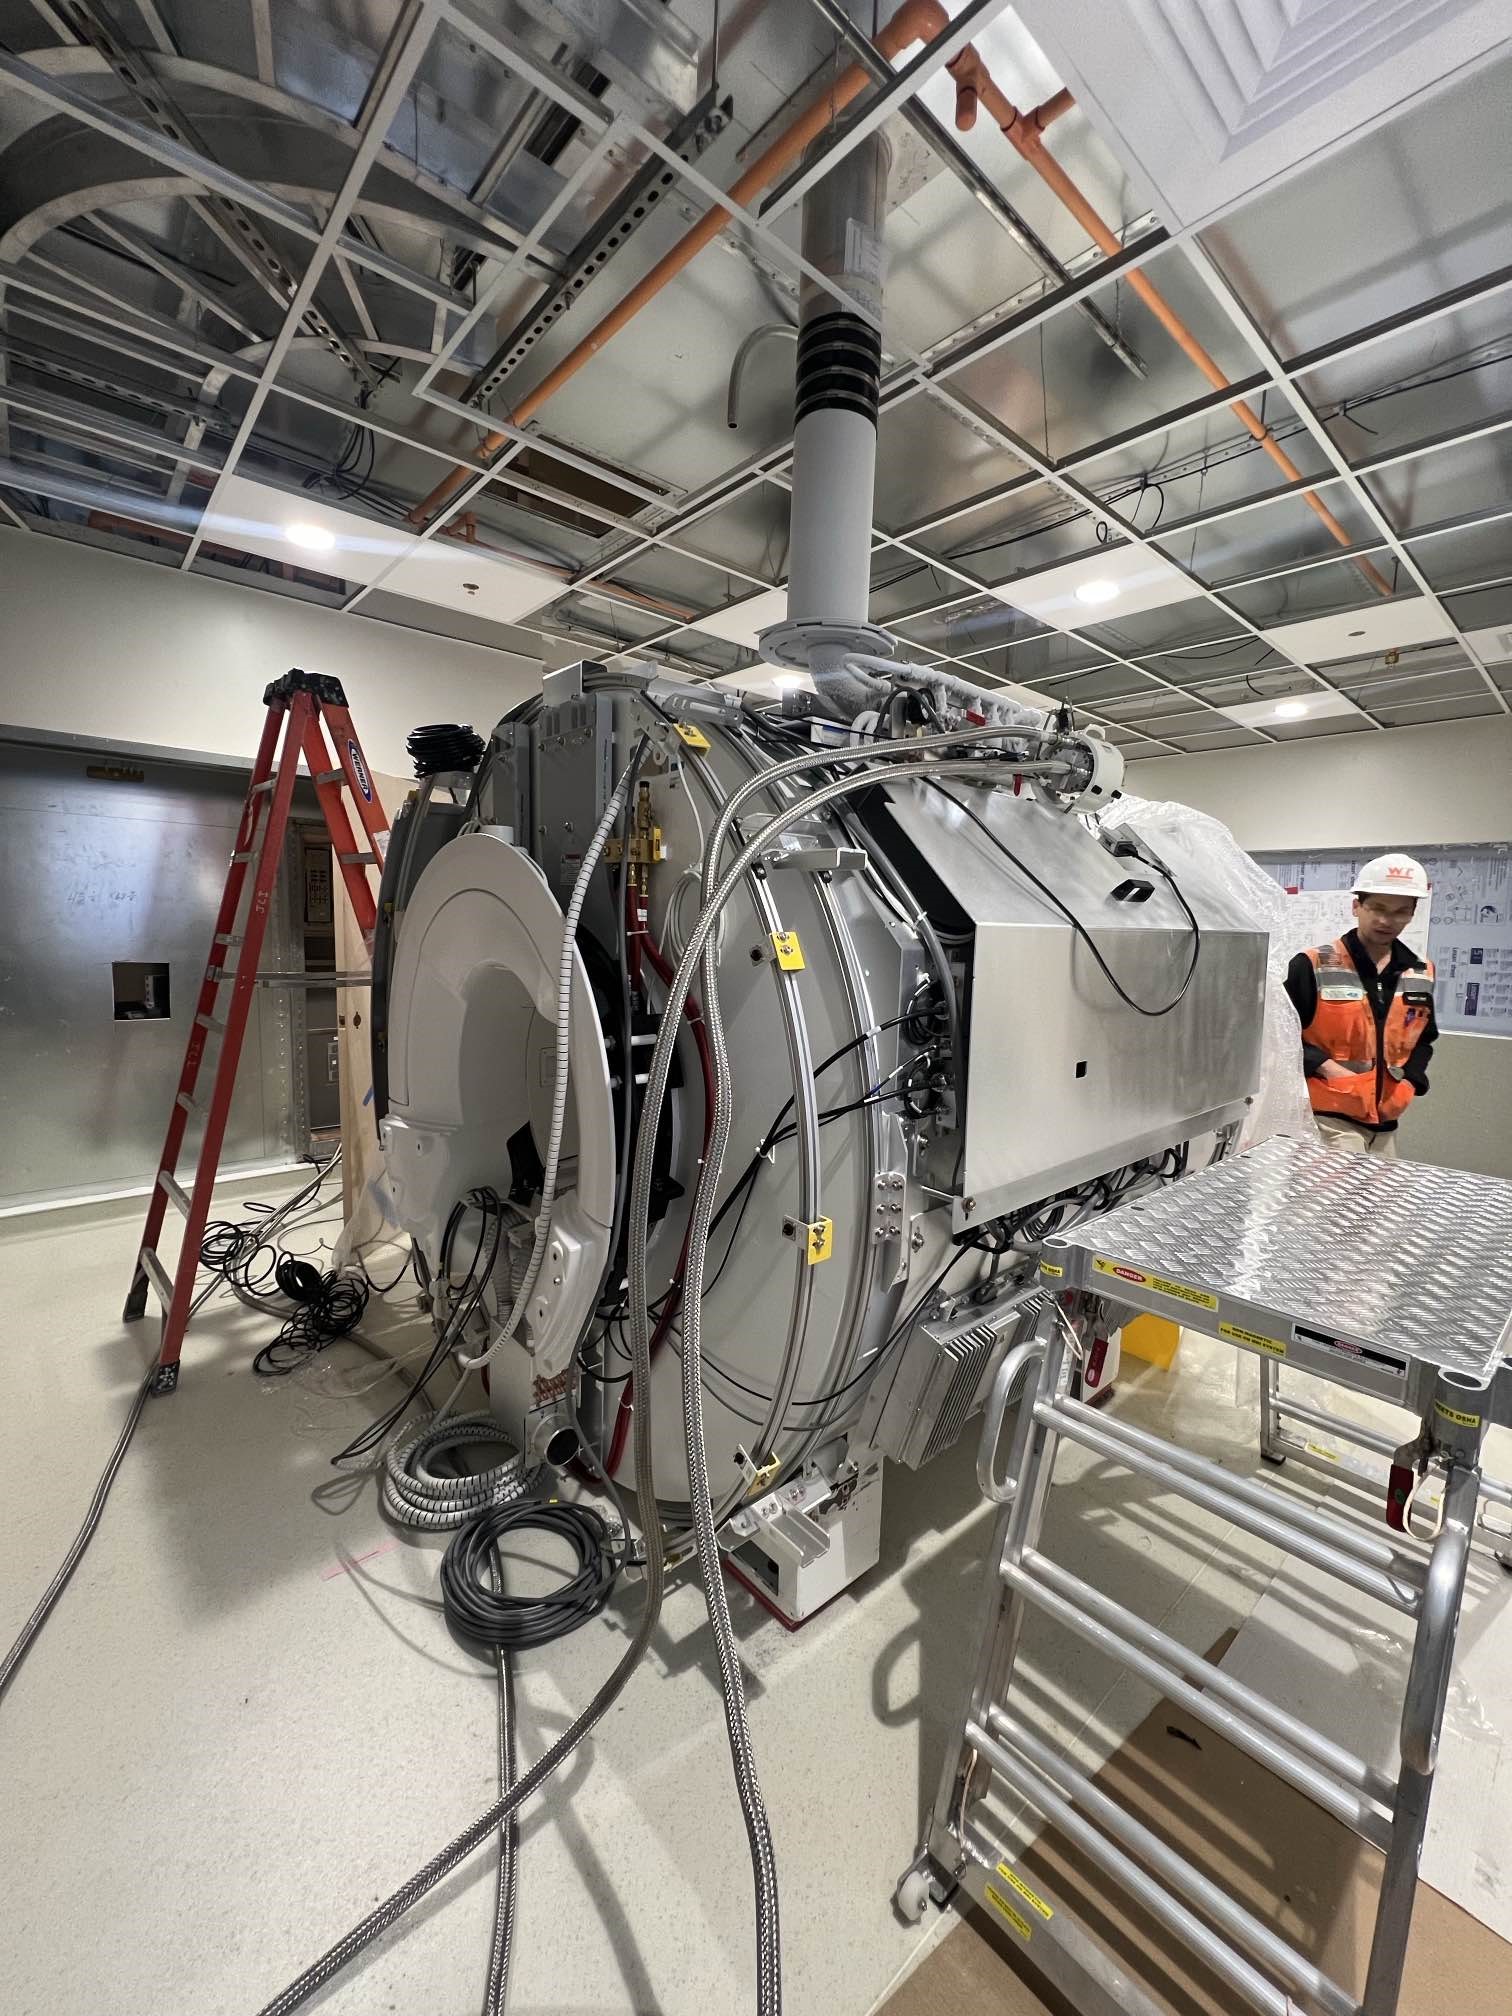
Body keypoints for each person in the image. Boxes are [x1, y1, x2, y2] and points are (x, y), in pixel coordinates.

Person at [1283, 854, 1437, 1160]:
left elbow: (1424, 1037)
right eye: (1377, 908)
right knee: (1332, 1207)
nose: (1385, 920)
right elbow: (1280, 1034)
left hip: (1386, 1122)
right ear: (1357, 906)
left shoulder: (1420, 971)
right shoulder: (1312, 964)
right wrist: (1326, 1067)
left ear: (1411, 915)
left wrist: (1411, 1080)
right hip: (1328, 1119)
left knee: (1377, 1207)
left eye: (1400, 912)